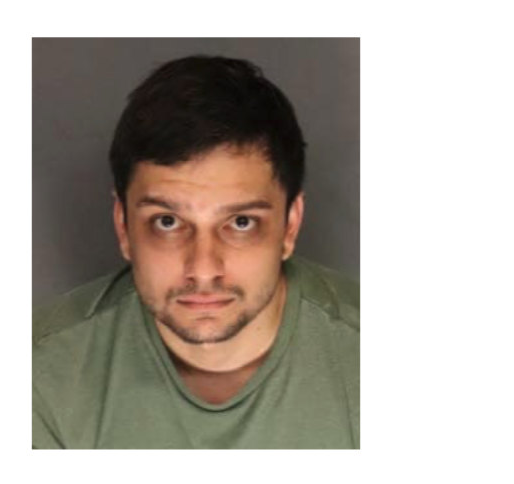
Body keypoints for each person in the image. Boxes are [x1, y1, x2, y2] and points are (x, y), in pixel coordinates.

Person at [32, 55, 359, 449]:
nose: (203, 270)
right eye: (167, 222)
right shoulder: (39, 376)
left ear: (290, 225)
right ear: (123, 226)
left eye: (241, 222)